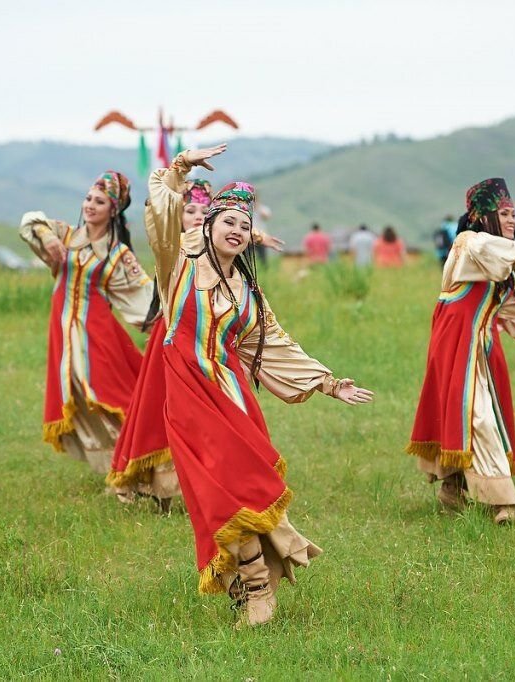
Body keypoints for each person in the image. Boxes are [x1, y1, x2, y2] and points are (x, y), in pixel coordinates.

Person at [147, 145, 374, 626]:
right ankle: (253, 587)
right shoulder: (179, 264)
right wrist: (181, 166)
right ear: (206, 226)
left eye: (244, 225)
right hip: (188, 399)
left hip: (232, 400)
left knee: (241, 487)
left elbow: (276, 348)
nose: (236, 230)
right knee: (221, 493)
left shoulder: (250, 295)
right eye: (227, 220)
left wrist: (328, 384)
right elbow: (162, 210)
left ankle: (256, 591)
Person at [406, 178, 515, 525]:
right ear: (482, 217)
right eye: (504, 213)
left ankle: (452, 486)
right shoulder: (468, 244)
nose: (513, 220)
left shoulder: (507, 273)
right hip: (454, 342)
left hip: (478, 344)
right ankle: (502, 501)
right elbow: (486, 250)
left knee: (471, 412)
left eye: (514, 214)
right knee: (476, 414)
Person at [108, 180, 285, 511]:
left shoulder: (229, 266)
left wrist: (255, 236)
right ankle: (163, 486)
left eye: (204, 210)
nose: (196, 216)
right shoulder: (176, 251)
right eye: (190, 210)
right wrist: (180, 169)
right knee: (158, 414)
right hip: (172, 340)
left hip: (211, 350)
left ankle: (214, 487)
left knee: (210, 419)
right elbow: (159, 215)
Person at [19, 171, 155, 474]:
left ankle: (137, 460)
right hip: (63, 331)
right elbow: (30, 222)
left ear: (113, 210)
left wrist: (171, 324)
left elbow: (144, 298)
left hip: (96, 332)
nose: (90, 205)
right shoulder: (66, 235)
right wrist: (48, 237)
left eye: (100, 201)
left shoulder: (118, 254)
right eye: (88, 198)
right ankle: (115, 466)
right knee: (79, 396)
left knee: (110, 396)